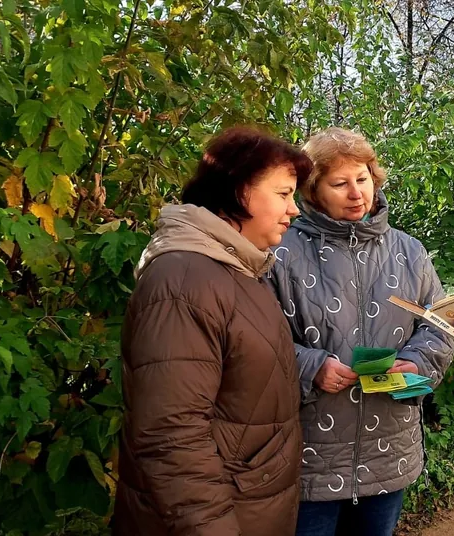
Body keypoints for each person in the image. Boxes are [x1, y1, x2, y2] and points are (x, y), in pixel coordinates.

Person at [115, 126, 309, 536]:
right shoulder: (184, 281)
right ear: (239, 190)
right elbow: (171, 433)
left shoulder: (235, 271)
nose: (294, 210)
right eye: (283, 193)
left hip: (249, 508)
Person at [267, 127, 454, 536]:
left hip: (390, 451)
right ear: (314, 190)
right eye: (340, 183)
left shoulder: (409, 251)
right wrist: (311, 367)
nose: (356, 193)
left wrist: (416, 363)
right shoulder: (280, 252)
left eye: (363, 179)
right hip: (309, 457)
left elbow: (439, 326)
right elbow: (258, 339)